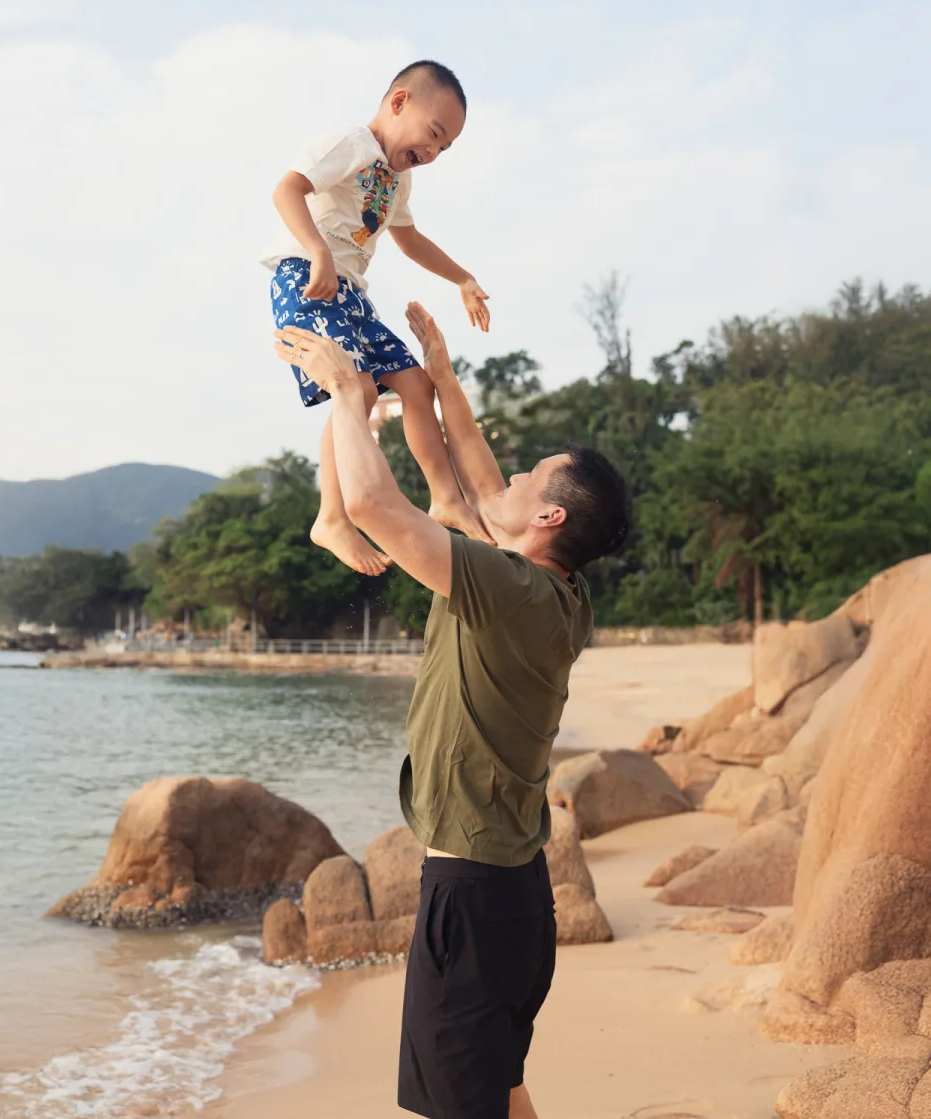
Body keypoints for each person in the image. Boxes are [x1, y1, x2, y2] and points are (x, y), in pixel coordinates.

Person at [273, 305, 631, 1119]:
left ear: (548, 519)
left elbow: (369, 502)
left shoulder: (507, 587)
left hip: (471, 897)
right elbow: (470, 471)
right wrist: (439, 371)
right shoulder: (555, 589)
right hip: (513, 895)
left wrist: (342, 393)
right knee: (499, 1093)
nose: (504, 482)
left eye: (527, 479)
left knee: (462, 1108)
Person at [262, 59, 493, 576]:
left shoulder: (397, 179)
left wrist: (462, 278)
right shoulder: (350, 143)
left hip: (352, 293)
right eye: (433, 135)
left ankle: (446, 498)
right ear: (398, 102)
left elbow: (408, 239)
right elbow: (287, 190)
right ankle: (331, 517)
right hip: (305, 275)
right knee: (357, 391)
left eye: (444, 148)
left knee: (415, 385)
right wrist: (318, 252)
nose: (432, 153)